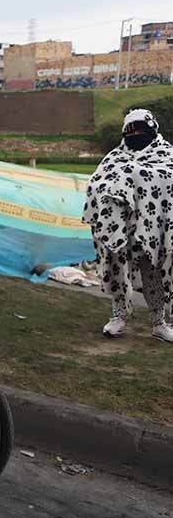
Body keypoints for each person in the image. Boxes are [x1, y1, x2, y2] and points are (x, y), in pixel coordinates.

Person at [83, 108, 173, 343]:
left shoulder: (166, 155)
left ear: (152, 131)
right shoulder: (115, 157)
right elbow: (95, 183)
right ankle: (119, 317)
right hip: (120, 228)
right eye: (130, 133)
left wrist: (135, 174)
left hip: (152, 230)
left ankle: (159, 323)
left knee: (153, 273)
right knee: (117, 271)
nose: (135, 137)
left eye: (140, 132)